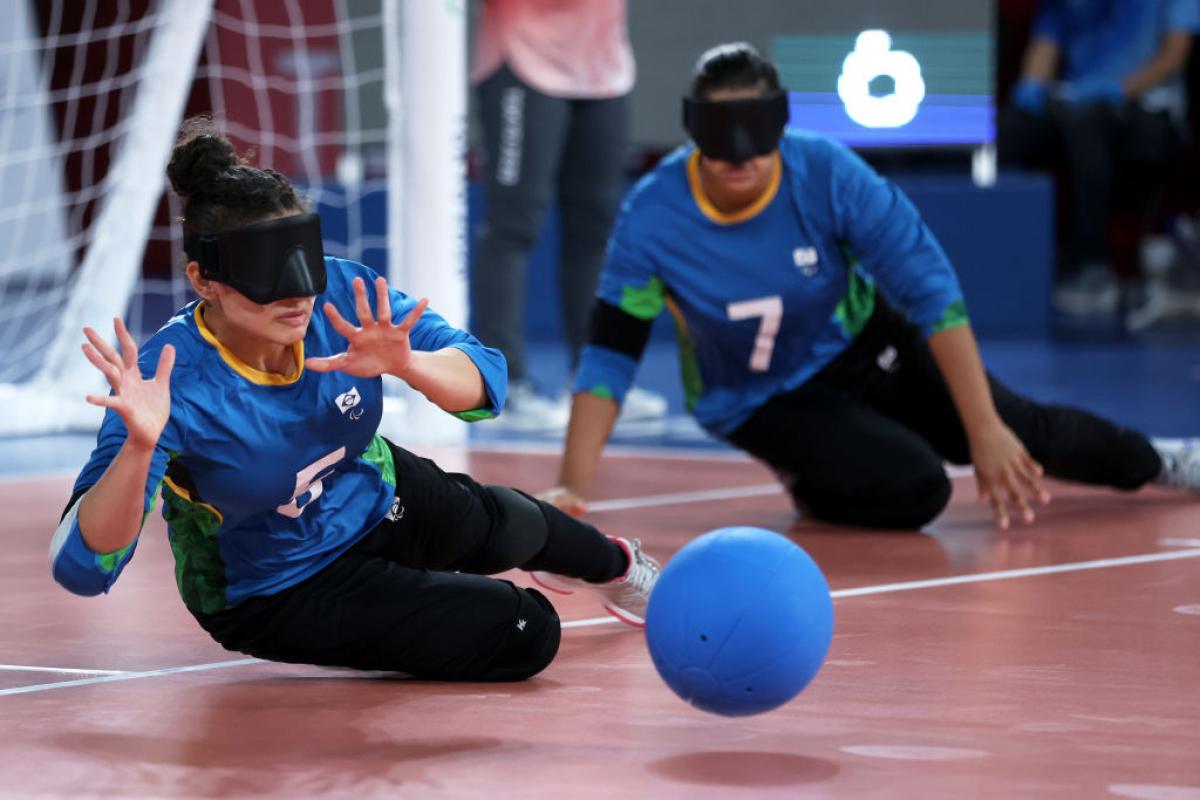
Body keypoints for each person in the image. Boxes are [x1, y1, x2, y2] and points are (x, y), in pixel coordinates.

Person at [49, 122, 659, 683]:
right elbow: (82, 567)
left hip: (371, 491)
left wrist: (408, 363)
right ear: (204, 279)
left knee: (517, 525)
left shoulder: (341, 295)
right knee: (526, 630)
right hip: (278, 586)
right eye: (266, 269)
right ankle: (411, 597)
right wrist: (139, 447)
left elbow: (486, 385)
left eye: (301, 260)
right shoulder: (167, 380)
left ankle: (619, 566)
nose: (296, 294)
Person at [541, 43, 1200, 532]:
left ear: (781, 125)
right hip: (758, 397)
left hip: (865, 342)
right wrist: (572, 486)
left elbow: (931, 291)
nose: (739, 156)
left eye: (756, 135)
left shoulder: (826, 172)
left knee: (1020, 428)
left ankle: (1163, 463)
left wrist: (984, 428)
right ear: (691, 131)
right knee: (917, 489)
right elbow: (611, 354)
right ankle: (812, 479)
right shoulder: (653, 215)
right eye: (719, 138)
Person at [470, 0, 666, 427]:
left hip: (603, 71)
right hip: (522, 62)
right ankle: (502, 385)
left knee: (595, 229)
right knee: (512, 226)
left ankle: (594, 381)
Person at [998, 0, 1199, 315]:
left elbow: (1174, 54)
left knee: (1086, 125)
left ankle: (1091, 266)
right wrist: (1031, 87)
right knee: (1011, 127)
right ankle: (996, 265)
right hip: (1076, 100)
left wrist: (1116, 89)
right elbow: (1044, 50)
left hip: (1147, 110)